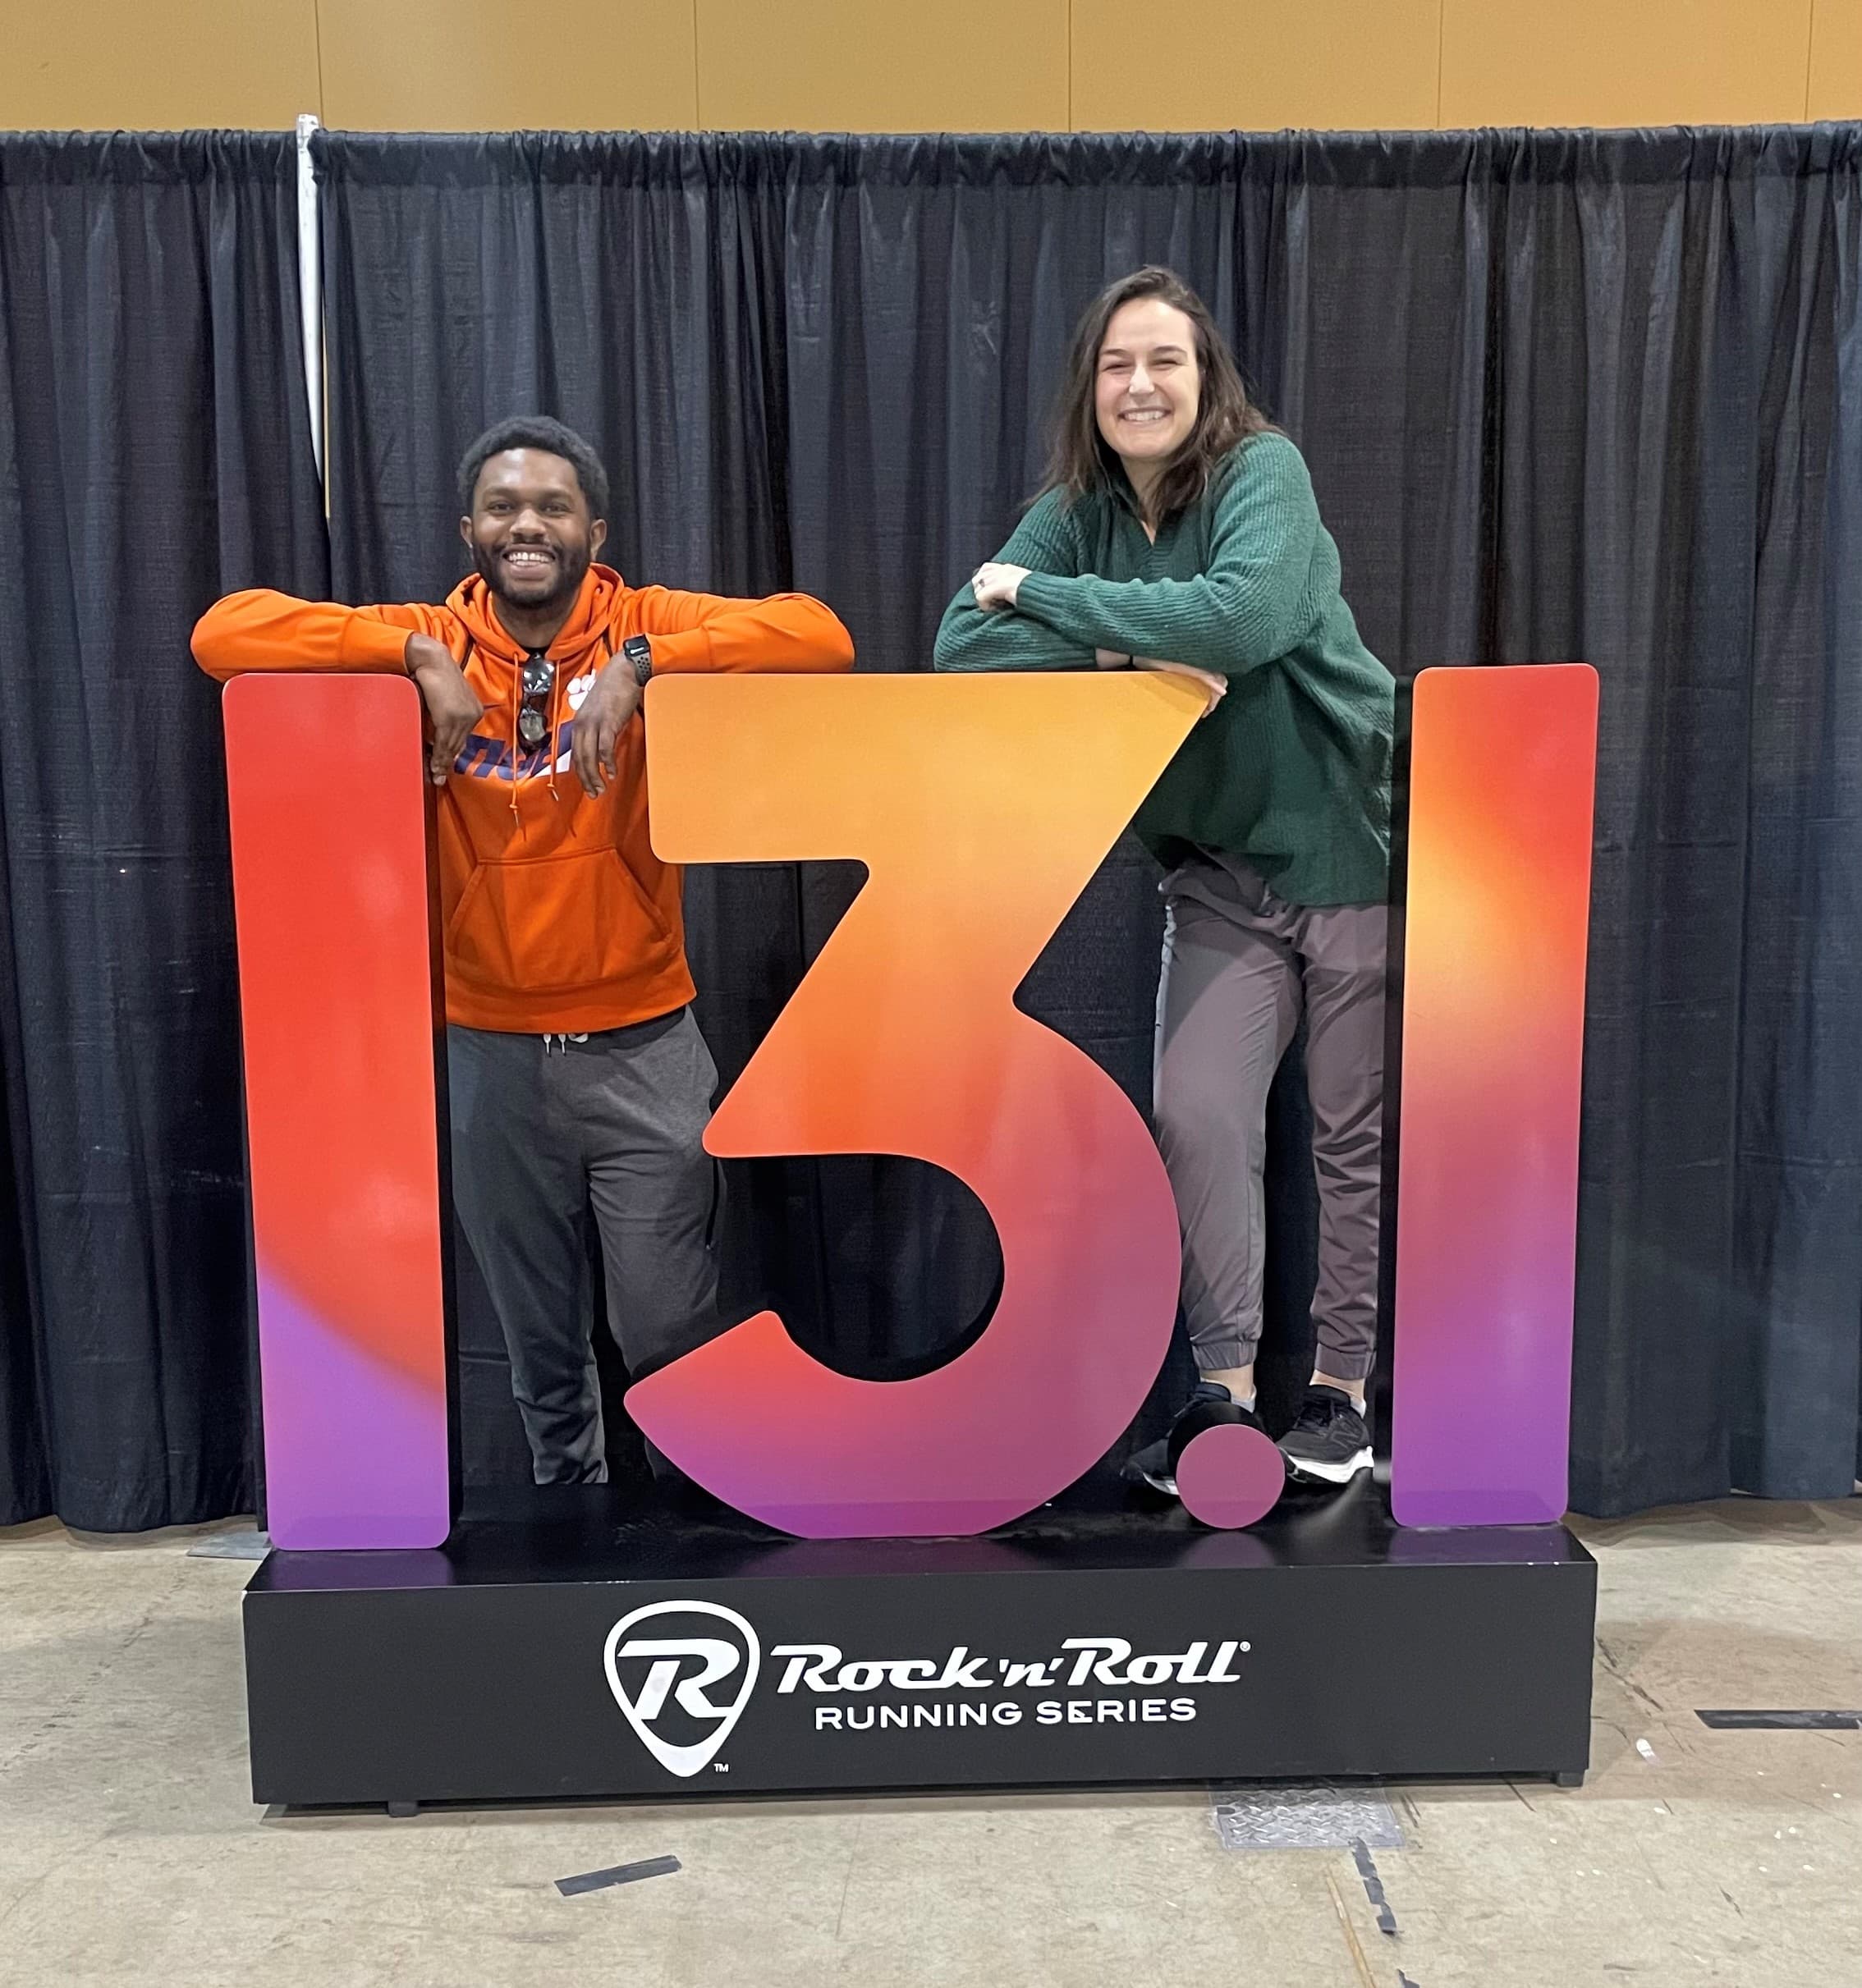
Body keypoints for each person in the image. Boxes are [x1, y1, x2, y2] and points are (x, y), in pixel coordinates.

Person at [195, 415, 855, 1484]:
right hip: (490, 1058)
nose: (528, 525)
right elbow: (223, 632)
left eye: (552, 505)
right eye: (503, 507)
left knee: (668, 1331)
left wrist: (643, 664)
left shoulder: (640, 619)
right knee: (540, 1355)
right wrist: (409, 656)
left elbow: (819, 635)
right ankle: (572, 1548)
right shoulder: (436, 636)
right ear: (469, 529)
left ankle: (688, 1544)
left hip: (645, 1044)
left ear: (594, 525)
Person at [933, 269, 1394, 1493]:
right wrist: (1134, 630)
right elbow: (958, 645)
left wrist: (1045, 601)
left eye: (1166, 363)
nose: (1141, 385)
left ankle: (1341, 1392)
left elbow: (1239, 621)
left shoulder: (1263, 474)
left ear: (1207, 380)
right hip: (1214, 865)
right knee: (1194, 1112)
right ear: (1090, 388)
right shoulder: (1076, 507)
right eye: (1117, 365)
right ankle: (1225, 1389)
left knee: (1348, 1131)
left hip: (1352, 845)